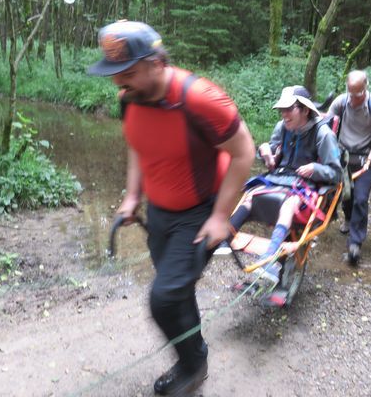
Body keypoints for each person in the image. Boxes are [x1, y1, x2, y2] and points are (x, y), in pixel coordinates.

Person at [88, 20, 255, 396]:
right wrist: (133, 195)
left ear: (156, 63)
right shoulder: (129, 98)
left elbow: (244, 152)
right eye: (114, 74)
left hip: (201, 212)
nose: (118, 83)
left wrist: (220, 217)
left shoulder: (200, 99)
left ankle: (194, 364)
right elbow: (138, 145)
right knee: (177, 291)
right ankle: (194, 355)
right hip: (161, 213)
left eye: (127, 72)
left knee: (163, 299)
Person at [227, 85, 342, 283]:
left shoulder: (323, 134)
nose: (284, 114)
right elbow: (273, 155)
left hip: (306, 186)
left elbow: (336, 173)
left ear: (305, 110)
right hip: (279, 178)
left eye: (289, 109)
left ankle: (269, 259)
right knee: (250, 194)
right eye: (282, 110)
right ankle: (222, 239)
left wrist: (315, 168)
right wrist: (267, 155)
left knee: (288, 204)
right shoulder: (282, 127)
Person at [328, 70, 371, 266]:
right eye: (351, 93)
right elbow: (327, 123)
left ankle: (355, 243)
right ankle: (348, 220)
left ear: (366, 88)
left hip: (367, 157)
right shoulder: (341, 102)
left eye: (358, 95)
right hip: (344, 157)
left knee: (361, 199)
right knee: (346, 196)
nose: (354, 99)